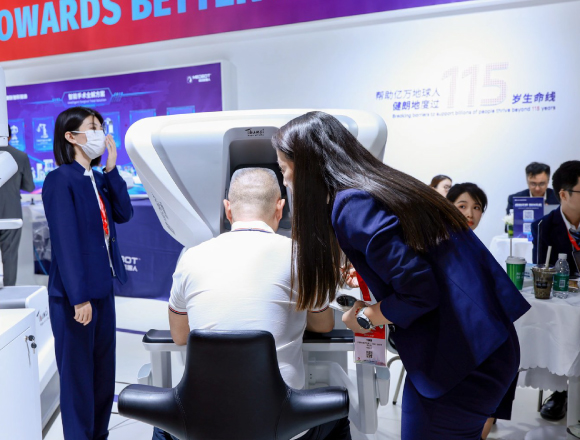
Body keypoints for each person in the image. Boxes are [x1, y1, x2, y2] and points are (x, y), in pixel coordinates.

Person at [273, 111, 530, 440]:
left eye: (284, 170)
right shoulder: (379, 187)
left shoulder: (350, 205)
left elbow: (420, 290)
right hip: (485, 345)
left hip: (463, 362)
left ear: (307, 167)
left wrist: (366, 317)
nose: (286, 182)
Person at [157, 167, 350, 440]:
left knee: (165, 427)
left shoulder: (191, 258)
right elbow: (323, 325)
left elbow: (179, 335)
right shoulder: (301, 257)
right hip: (282, 425)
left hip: (201, 423)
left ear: (228, 209)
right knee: (337, 415)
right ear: (280, 208)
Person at [43, 107, 133, 440]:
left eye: (101, 127)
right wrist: (79, 298)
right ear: (71, 136)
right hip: (74, 296)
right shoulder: (59, 180)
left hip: (103, 288)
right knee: (78, 377)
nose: (101, 134)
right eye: (93, 128)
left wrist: (111, 168)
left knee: (103, 373)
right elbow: (65, 243)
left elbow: (123, 213)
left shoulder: (97, 178)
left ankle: (98, 434)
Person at [447, 182, 517, 438]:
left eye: (477, 208)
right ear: (447, 206)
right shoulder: (444, 242)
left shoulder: (469, 242)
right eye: (462, 206)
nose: (470, 213)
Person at [531, 160, 580, 421]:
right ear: (563, 194)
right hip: (563, 300)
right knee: (560, 326)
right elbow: (543, 270)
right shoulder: (544, 226)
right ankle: (560, 392)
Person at [0, 124, 35, 285]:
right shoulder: (20, 156)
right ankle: (8, 292)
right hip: (11, 212)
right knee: (10, 256)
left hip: (11, 212)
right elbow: (29, 187)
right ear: (9, 136)